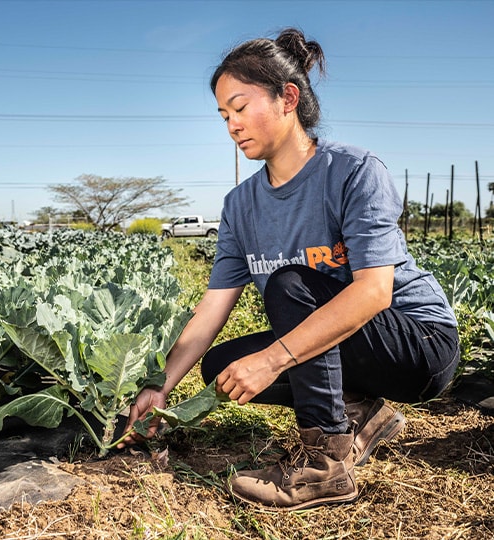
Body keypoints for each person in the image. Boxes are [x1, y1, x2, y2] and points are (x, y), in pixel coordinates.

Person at [119, 27, 460, 511]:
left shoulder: (353, 171)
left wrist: (273, 359)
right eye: (223, 115)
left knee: (290, 283)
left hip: (417, 344)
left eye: (240, 107)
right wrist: (159, 389)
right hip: (354, 347)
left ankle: (325, 466)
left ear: (288, 98)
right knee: (222, 368)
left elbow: (374, 293)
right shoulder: (240, 206)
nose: (232, 125)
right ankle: (360, 414)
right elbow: (211, 310)